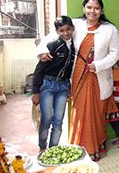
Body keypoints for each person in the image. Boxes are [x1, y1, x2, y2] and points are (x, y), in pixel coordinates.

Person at [37, 0, 119, 161]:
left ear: (101, 10)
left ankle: (96, 146)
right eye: (89, 7)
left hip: (99, 77)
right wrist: (41, 51)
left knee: (96, 114)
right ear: (84, 8)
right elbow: (51, 37)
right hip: (78, 77)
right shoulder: (74, 24)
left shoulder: (110, 29)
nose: (92, 11)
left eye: (96, 8)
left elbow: (115, 53)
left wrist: (98, 65)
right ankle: (79, 147)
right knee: (79, 113)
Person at [32, 16, 75, 151]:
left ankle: (53, 150)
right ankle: (42, 148)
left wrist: (68, 87)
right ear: (57, 32)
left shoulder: (74, 47)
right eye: (61, 30)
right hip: (48, 85)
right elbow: (39, 69)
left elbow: (69, 70)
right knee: (47, 119)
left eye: (68, 29)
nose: (66, 33)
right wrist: (35, 92)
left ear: (73, 29)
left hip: (63, 87)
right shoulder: (53, 46)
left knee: (58, 120)